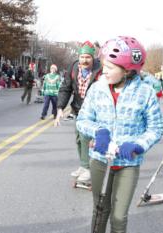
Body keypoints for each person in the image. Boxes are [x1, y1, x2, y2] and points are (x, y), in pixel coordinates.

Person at [76, 36, 163, 232]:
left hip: (128, 163)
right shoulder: (97, 89)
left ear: (127, 70)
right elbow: (82, 120)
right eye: (104, 65)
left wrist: (138, 145)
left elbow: (156, 127)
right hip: (100, 160)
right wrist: (98, 132)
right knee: (100, 210)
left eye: (110, 67)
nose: (103, 70)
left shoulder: (145, 93)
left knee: (118, 217)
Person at [54, 41, 102, 183]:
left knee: (85, 137)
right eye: (82, 57)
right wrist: (60, 108)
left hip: (95, 111)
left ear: (92, 58)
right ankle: (83, 165)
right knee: (78, 139)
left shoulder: (100, 69)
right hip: (78, 108)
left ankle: (88, 168)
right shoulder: (74, 67)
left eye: (87, 57)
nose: (84, 60)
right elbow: (66, 88)